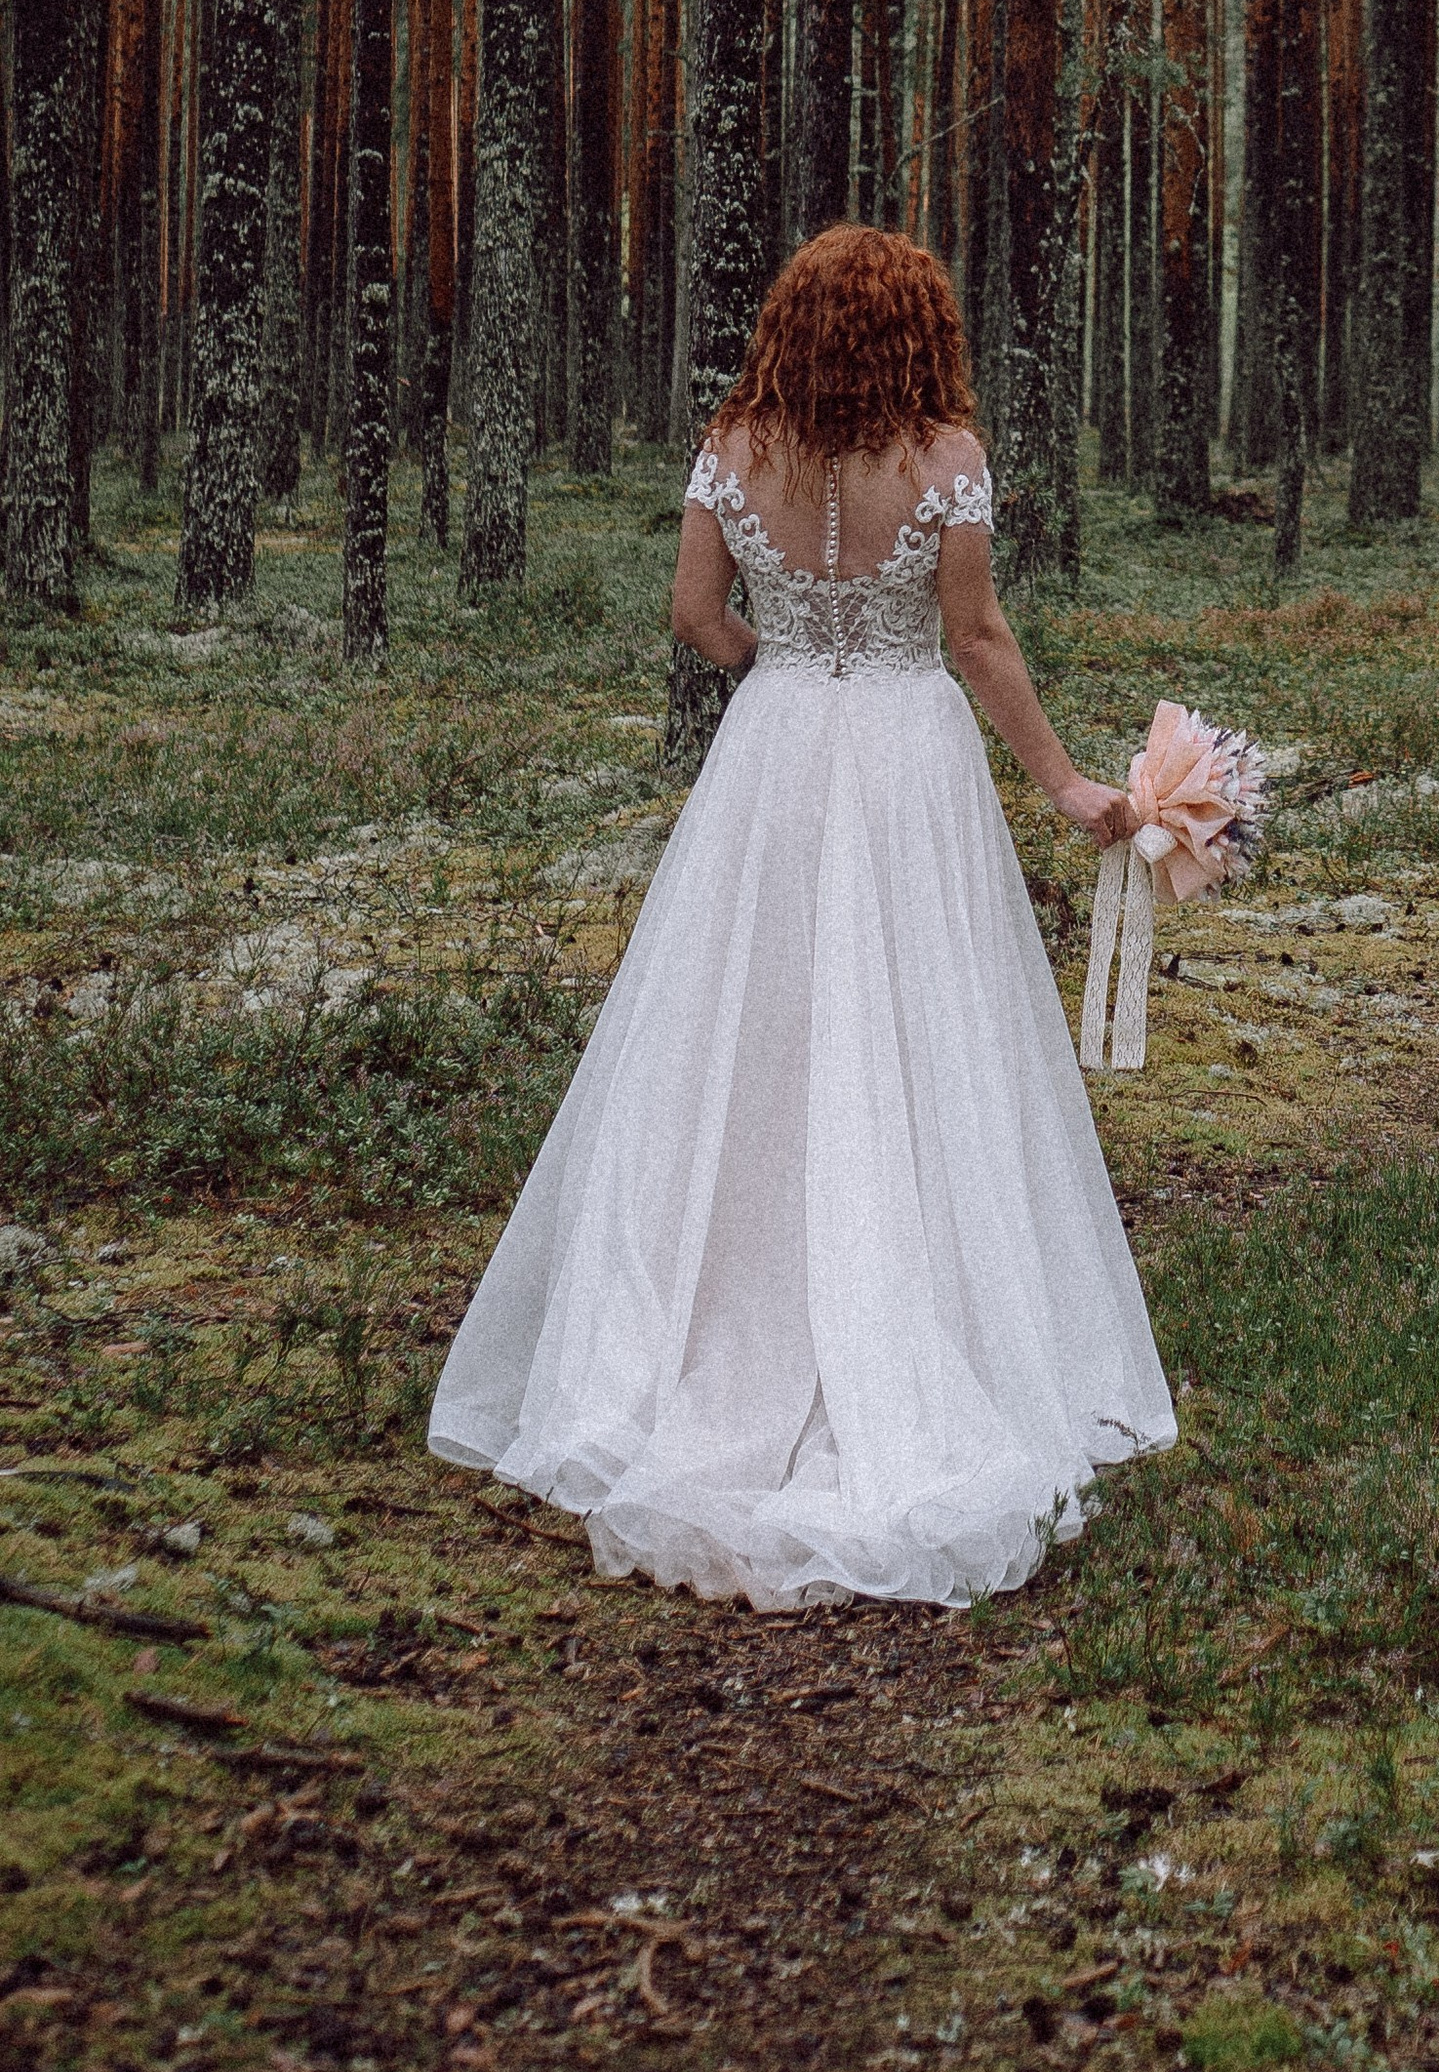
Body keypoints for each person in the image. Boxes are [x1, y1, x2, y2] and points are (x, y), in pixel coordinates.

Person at [428, 223, 1175, 1610]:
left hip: (772, 758)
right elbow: (976, 640)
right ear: (917, 331)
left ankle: (716, 1324)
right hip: (907, 764)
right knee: (919, 1026)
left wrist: (782, 657)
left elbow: (694, 615)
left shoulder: (734, 447)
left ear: (792, 325)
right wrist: (1064, 782)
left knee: (746, 1034)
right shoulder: (943, 463)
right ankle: (916, 1326)